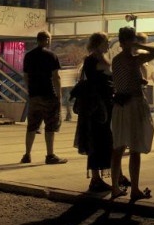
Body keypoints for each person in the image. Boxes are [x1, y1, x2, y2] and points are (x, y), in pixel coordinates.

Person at [109, 25, 154, 201]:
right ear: (130, 40)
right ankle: (135, 189)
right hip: (133, 105)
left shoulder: (116, 60)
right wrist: (140, 46)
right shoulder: (133, 59)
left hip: (119, 106)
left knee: (117, 148)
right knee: (135, 149)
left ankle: (115, 187)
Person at [73, 32, 116, 193]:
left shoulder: (95, 59)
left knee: (103, 140)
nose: (108, 44)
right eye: (106, 42)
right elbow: (108, 70)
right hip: (98, 106)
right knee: (98, 139)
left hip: (101, 104)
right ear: (98, 43)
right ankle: (96, 179)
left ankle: (100, 177)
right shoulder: (93, 59)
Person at [21, 30, 67, 165]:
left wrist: (30, 90)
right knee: (50, 126)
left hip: (34, 96)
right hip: (49, 95)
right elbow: (56, 77)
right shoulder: (51, 56)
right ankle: (50, 155)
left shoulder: (28, 56)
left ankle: (27, 155)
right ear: (47, 40)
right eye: (50, 39)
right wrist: (59, 96)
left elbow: (25, 76)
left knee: (32, 126)